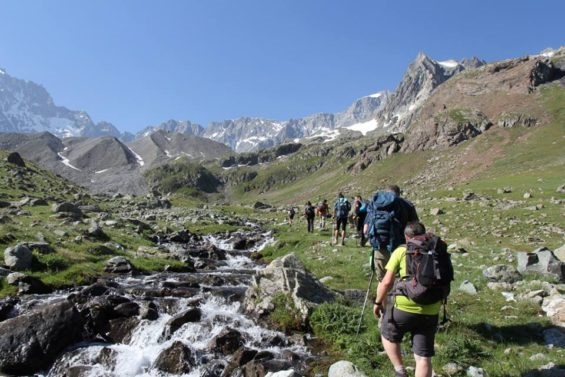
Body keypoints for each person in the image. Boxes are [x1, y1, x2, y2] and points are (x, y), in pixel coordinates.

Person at [373, 221, 440, 377]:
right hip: (431, 307)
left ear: (406, 236)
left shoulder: (401, 251)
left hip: (404, 306)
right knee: (423, 357)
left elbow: (387, 282)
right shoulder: (436, 250)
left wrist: (377, 303)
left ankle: (400, 370)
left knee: (387, 333)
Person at [364, 185, 419, 281]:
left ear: (386, 192)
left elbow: (365, 229)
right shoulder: (406, 205)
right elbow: (416, 228)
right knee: (400, 277)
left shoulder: (376, 203)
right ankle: (397, 294)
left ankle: (384, 294)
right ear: (399, 193)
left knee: (382, 278)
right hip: (400, 246)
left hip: (380, 244)